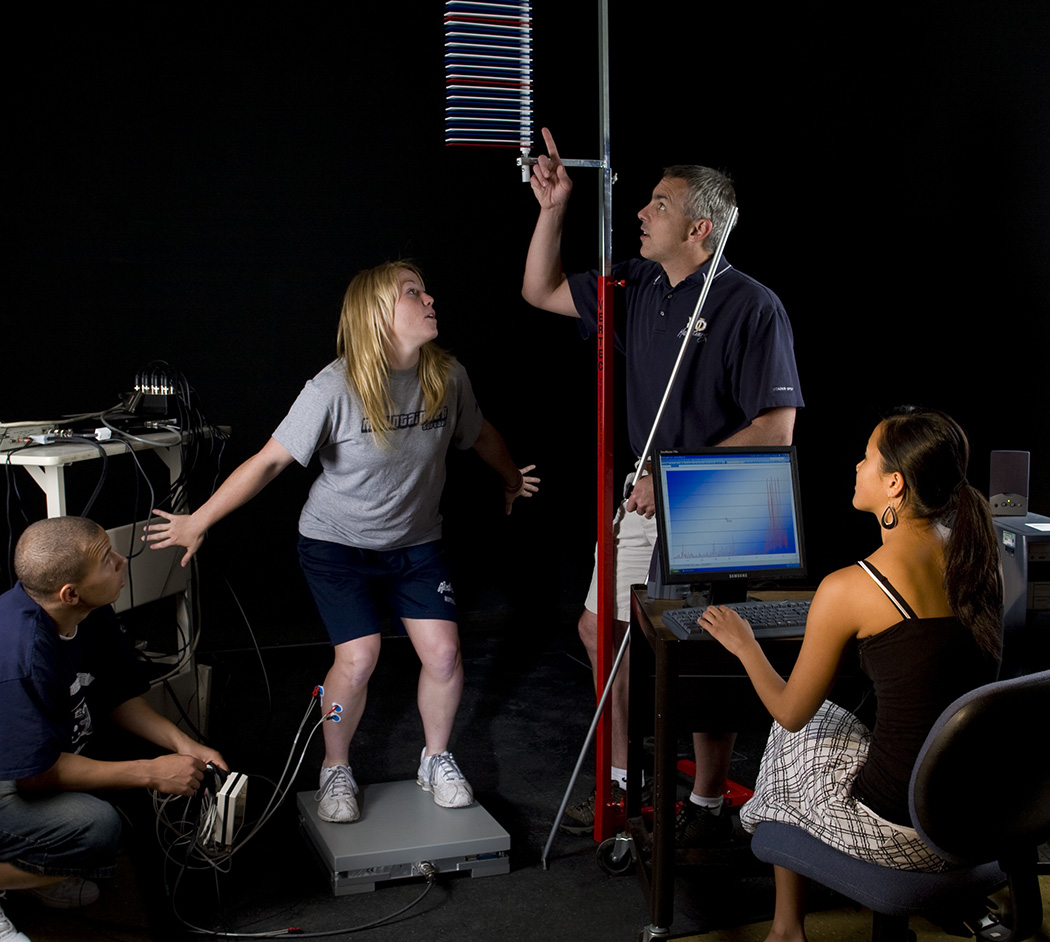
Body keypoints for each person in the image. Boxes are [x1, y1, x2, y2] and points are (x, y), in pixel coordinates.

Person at [146, 261, 538, 825]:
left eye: (425, 288)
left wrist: (510, 479)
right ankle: (335, 766)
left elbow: (479, 434)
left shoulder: (447, 376)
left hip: (416, 543)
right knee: (358, 659)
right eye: (412, 292)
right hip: (337, 546)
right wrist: (198, 520)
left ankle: (435, 758)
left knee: (446, 655)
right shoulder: (334, 386)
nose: (430, 298)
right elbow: (269, 461)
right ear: (378, 313)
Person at [522, 127, 803, 842]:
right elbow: (541, 290)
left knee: (704, 652)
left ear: (699, 226)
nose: (641, 214)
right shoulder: (636, 284)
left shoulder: (752, 304)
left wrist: (669, 473)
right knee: (601, 629)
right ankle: (620, 783)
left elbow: (775, 432)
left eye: (658, 204)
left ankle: (707, 804)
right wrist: (552, 208)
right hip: (647, 495)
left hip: (718, 504)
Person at [699, 407, 1002, 942]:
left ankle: (786, 928)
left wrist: (745, 645)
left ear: (894, 483)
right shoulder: (978, 559)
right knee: (835, 721)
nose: (855, 467)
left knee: (792, 731)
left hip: (904, 833)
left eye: (865, 459)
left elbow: (791, 712)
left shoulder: (851, 588)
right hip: (972, 816)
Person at [0, 516, 227, 942]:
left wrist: (185, 744)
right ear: (70, 592)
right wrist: (151, 772)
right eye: (108, 561)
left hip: (35, 760)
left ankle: (33, 868)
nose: (122, 562)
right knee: (96, 829)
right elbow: (34, 776)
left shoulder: (87, 611)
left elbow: (116, 696)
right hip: (10, 776)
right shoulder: (21, 656)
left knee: (111, 812)